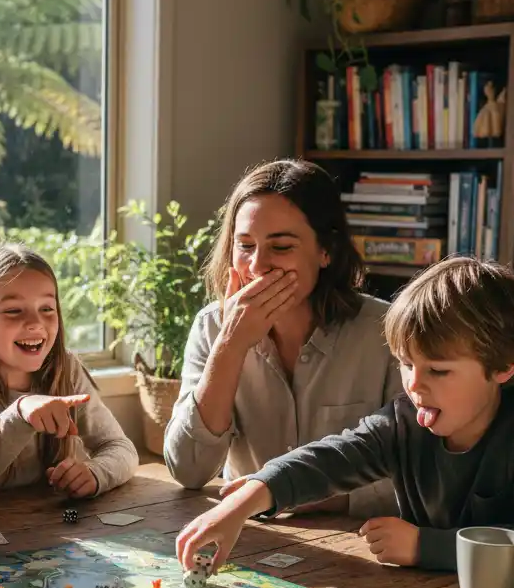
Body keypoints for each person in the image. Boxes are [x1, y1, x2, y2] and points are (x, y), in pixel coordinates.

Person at [177, 256, 514, 577]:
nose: (415, 384)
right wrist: (243, 501)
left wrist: (424, 546)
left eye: (438, 371)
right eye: (406, 364)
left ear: (503, 367)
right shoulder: (405, 420)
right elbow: (330, 459)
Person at [164, 158, 401, 516]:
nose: (257, 266)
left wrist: (281, 493)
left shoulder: (386, 332)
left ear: (326, 251)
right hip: (249, 536)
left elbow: (417, 473)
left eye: (281, 247)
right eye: (245, 245)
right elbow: (188, 470)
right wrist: (230, 345)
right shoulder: (211, 327)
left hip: (358, 538)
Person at [0, 243, 138, 497]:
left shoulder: (66, 369)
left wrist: (95, 473)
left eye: (47, 309)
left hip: (51, 519)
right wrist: (20, 413)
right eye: (13, 311)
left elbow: (121, 448)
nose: (35, 323)